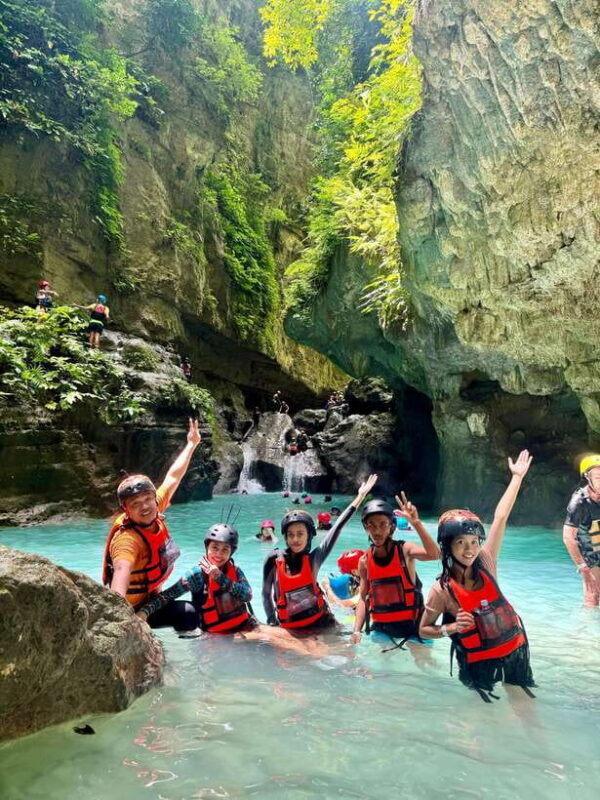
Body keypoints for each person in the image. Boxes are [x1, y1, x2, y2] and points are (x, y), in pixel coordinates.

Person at [419, 450, 536, 703]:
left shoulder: (486, 562)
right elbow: (424, 629)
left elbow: (501, 517)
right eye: (461, 542)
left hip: (515, 652)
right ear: (447, 546)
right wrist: (451, 627)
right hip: (477, 662)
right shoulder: (442, 590)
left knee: (525, 708)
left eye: (474, 541)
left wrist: (516, 477)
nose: (470, 549)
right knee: (482, 719)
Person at [102, 419, 202, 632]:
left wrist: (191, 444)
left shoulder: (155, 508)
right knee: (188, 614)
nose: (145, 506)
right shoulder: (127, 539)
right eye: (135, 504)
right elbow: (121, 571)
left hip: (152, 602)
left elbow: (173, 477)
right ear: (126, 510)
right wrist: (119, 621)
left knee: (190, 614)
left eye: (148, 499)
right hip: (129, 610)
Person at [262, 474, 378, 631]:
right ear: (285, 537)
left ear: (309, 536)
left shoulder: (314, 558)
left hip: (322, 624)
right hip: (291, 628)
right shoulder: (273, 559)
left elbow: (338, 526)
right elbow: (266, 594)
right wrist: (272, 622)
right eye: (291, 534)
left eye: (300, 534)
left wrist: (360, 496)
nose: (295, 539)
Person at [351, 492, 440, 648]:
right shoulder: (364, 561)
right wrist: (356, 631)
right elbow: (363, 599)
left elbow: (434, 554)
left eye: (383, 525)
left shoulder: (405, 550)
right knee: (377, 671)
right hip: (382, 628)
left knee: (424, 665)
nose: (377, 531)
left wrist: (416, 523)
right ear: (366, 527)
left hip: (414, 626)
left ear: (392, 526)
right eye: (372, 525)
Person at [137, 523, 258, 634]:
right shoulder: (197, 575)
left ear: (231, 552)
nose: (219, 554)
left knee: (275, 636)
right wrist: (145, 612)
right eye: (215, 548)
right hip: (216, 634)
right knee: (270, 640)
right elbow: (167, 595)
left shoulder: (236, 571)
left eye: (225, 549)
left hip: (243, 625)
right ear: (207, 548)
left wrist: (220, 578)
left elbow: (248, 595)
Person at [563, 455, 600, 607]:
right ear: (587, 478)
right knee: (592, 597)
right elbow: (568, 538)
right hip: (590, 555)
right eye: (598, 477)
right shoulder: (579, 502)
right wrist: (583, 569)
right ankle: (585, 630)